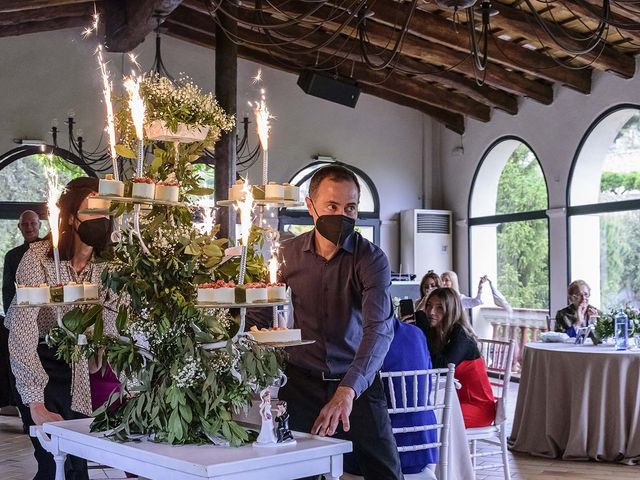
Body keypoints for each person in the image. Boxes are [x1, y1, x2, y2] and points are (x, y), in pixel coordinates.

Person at [247, 165, 402, 479]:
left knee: (385, 472)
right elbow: (260, 317)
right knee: (297, 472)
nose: (341, 215)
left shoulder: (371, 259)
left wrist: (347, 392)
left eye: (350, 208)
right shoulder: (285, 256)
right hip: (299, 383)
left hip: (357, 383)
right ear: (310, 206)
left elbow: (379, 329)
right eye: (332, 206)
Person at [4, 177, 117, 480]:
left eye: (106, 210)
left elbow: (115, 320)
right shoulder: (37, 258)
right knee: (54, 460)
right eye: (93, 210)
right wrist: (35, 402)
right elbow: (22, 331)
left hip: (83, 368)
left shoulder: (110, 265)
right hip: (40, 362)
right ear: (70, 217)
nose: (102, 218)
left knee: (78, 462)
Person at [344, 317, 438, 475]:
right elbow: (427, 384)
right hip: (422, 450)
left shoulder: (360, 340)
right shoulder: (417, 333)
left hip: (380, 456)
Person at [421, 288, 496, 428]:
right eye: (429, 306)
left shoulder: (461, 335)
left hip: (478, 407)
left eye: (439, 308)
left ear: (451, 310)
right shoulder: (439, 334)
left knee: (430, 417)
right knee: (421, 412)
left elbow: (441, 368)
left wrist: (423, 332)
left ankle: (442, 450)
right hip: (453, 402)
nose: (431, 312)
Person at [3, 210, 42, 314]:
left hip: (51, 306)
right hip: (25, 309)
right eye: (24, 224)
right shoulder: (12, 256)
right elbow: (8, 290)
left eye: (33, 223)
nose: (29, 228)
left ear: (40, 225)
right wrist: (9, 316)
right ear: (19, 227)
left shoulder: (51, 251)